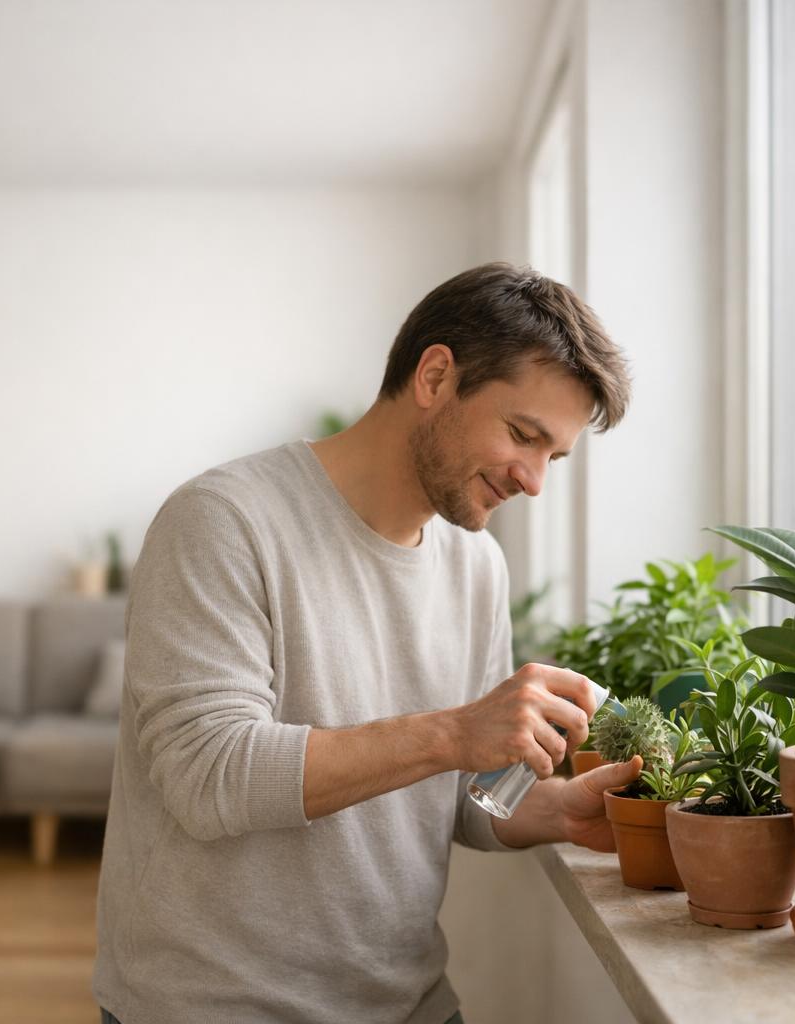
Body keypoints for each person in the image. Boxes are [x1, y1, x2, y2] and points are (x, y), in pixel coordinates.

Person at [93, 262, 638, 1024]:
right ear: (436, 376)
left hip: (407, 1003)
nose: (534, 480)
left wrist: (554, 810)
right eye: (523, 435)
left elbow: (453, 798)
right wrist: (454, 731)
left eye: (555, 455)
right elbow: (208, 776)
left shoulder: (475, 565)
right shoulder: (223, 521)